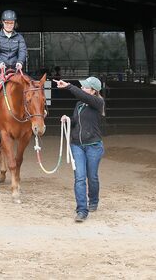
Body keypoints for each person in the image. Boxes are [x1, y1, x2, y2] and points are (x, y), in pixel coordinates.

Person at [54, 76, 106, 222]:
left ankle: (94, 200)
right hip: (77, 145)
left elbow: (83, 95)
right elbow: (77, 121)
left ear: (94, 91)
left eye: (85, 87)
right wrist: (68, 119)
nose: (82, 89)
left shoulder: (98, 102)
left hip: (93, 146)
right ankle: (82, 210)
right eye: (82, 87)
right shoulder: (79, 104)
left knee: (92, 177)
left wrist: (68, 86)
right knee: (80, 178)